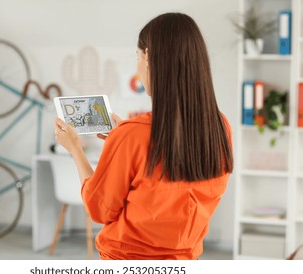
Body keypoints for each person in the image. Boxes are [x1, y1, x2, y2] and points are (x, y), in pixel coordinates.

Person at [54, 12, 233, 260]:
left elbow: (98, 209)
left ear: (149, 58)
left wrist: (75, 149)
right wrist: (123, 139)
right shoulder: (220, 127)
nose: (137, 66)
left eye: (137, 56)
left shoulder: (132, 135)